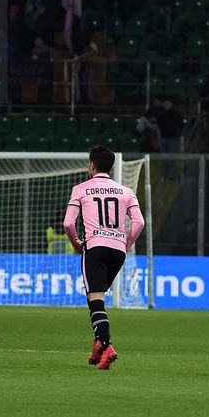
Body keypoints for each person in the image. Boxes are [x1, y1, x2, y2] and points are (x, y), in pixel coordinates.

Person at [62, 145, 145, 370]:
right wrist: (125, 244)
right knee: (97, 298)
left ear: (91, 165)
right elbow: (139, 223)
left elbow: (68, 223)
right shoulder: (126, 191)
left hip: (95, 246)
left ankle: (106, 345)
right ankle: (98, 343)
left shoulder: (80, 189)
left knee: (95, 298)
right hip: (117, 251)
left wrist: (78, 244)